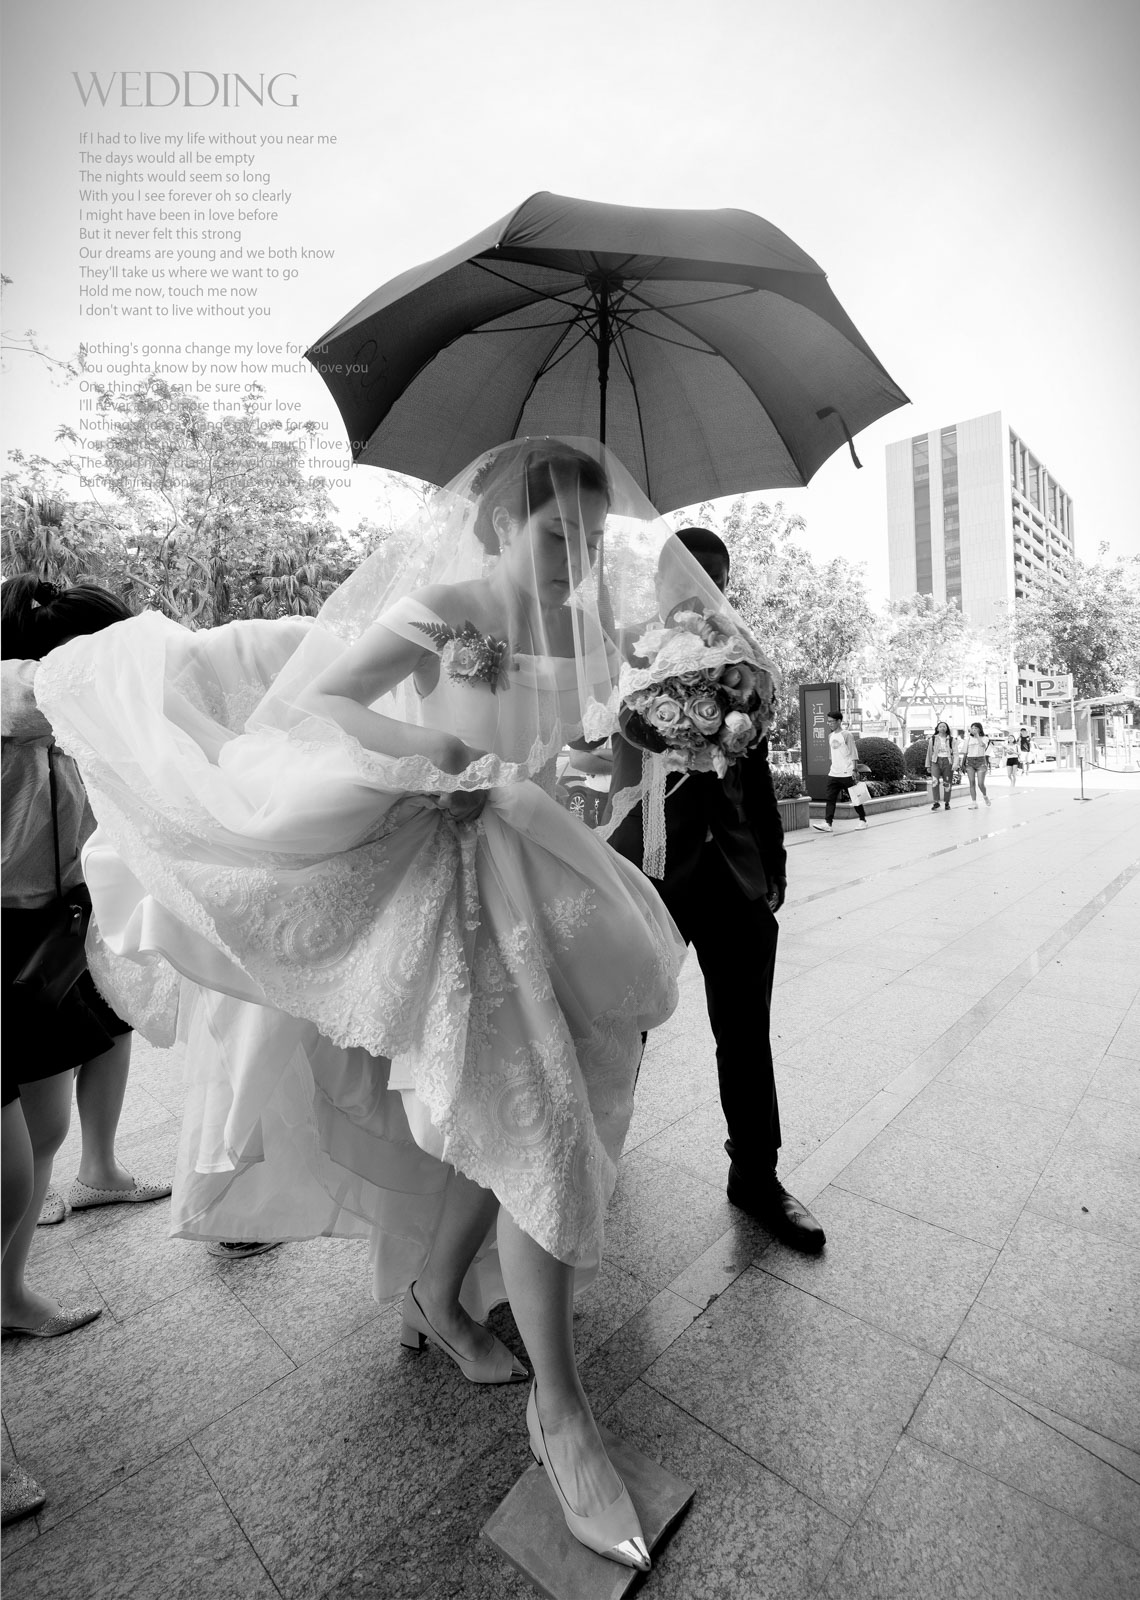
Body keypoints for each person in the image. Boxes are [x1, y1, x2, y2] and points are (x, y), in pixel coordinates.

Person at [31, 440, 704, 1573]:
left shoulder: (580, 630)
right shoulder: (447, 608)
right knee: (540, 1124)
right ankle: (562, 1412)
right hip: (449, 883)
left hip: (540, 868)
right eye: (560, 536)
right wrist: (427, 746)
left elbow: (564, 762)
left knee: (516, 1117)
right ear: (501, 526)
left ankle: (438, 1294)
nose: (580, 559)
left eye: (593, 540)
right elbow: (327, 699)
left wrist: (633, 756)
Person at [605, 528, 825, 1254]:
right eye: (691, 576)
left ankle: (756, 1174)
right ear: (661, 581)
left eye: (718, 579)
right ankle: (597, 1155)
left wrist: (773, 862)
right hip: (647, 870)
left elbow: (753, 769)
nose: (706, 590)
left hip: (733, 871)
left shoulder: (741, 659)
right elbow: (594, 750)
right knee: (621, 1025)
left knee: (745, 1029)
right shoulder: (627, 651)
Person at [2, 576, 155, 1525]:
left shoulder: (64, 731)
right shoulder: (22, 701)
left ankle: (11, 1293)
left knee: (44, 1131)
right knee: (10, 1172)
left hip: (37, 941)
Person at [811, 709, 868, 834]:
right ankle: (828, 823)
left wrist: (854, 769)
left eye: (832, 721)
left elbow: (853, 753)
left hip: (847, 772)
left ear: (839, 721)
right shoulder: (830, 736)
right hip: (834, 773)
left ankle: (863, 820)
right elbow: (832, 755)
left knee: (855, 797)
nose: (829, 724)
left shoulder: (847, 735)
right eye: (828, 721)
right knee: (830, 798)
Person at [924, 719, 958, 809]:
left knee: (947, 782)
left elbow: (955, 753)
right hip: (935, 761)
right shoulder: (933, 739)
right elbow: (929, 752)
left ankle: (947, 802)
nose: (942, 728)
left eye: (944, 726)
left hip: (948, 762)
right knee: (934, 781)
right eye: (940, 726)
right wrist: (928, 765)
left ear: (947, 728)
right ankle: (936, 802)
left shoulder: (951, 739)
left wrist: (955, 764)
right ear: (937, 728)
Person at [962, 722, 993, 808]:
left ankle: (985, 796)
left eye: (976, 728)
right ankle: (974, 803)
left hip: (981, 761)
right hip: (970, 761)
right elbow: (965, 752)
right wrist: (962, 763)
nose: (973, 729)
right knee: (971, 782)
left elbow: (982, 745)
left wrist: (977, 736)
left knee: (980, 784)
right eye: (972, 728)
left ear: (980, 729)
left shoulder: (985, 738)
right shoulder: (968, 739)